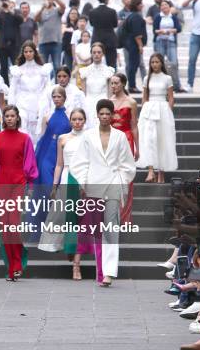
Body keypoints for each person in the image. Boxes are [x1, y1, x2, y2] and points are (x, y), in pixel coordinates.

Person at [69, 99, 136, 287]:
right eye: (102, 113)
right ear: (97, 115)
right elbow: (79, 162)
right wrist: (84, 182)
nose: (105, 117)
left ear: (113, 115)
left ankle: (108, 273)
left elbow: (128, 165)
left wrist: (121, 182)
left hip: (113, 184)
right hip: (94, 186)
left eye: (108, 113)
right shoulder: (88, 136)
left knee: (111, 229)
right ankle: (101, 270)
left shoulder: (120, 136)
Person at [0, 105, 38, 281]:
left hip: (19, 183)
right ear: (3, 118)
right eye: (7, 116)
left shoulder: (25, 138)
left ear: (17, 118)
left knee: (13, 222)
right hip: (2, 183)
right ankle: (12, 266)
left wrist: (30, 186)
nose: (10, 119)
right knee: (5, 227)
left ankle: (17, 263)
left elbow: (30, 163)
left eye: (13, 116)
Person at [38, 108, 90, 280]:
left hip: (85, 179)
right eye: (74, 119)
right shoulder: (62, 138)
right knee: (66, 220)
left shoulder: (90, 138)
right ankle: (69, 249)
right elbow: (59, 164)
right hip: (67, 179)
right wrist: (54, 185)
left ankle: (77, 265)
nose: (77, 122)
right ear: (70, 121)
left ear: (85, 120)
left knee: (82, 222)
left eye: (80, 119)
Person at [136, 53, 178, 183]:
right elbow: (144, 98)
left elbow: (171, 98)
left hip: (163, 110)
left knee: (162, 140)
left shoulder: (167, 78)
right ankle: (150, 171)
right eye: (152, 62)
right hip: (149, 110)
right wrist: (143, 112)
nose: (155, 64)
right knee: (149, 140)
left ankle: (161, 173)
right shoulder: (146, 78)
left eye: (157, 62)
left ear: (161, 63)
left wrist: (168, 112)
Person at [109, 73, 139, 224]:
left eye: (116, 83)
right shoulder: (108, 102)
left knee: (126, 178)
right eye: (112, 83)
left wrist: (138, 147)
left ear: (123, 84)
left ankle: (125, 215)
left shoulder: (131, 102)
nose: (113, 86)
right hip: (112, 140)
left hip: (127, 138)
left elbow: (134, 125)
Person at [9, 41, 50, 143]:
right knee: (22, 128)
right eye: (25, 51)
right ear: (23, 53)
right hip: (22, 103)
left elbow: (48, 89)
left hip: (38, 104)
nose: (28, 54)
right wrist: (11, 106)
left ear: (34, 52)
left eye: (30, 51)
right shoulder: (17, 70)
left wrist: (46, 105)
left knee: (38, 131)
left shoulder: (43, 70)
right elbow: (12, 89)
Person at [35, 87, 71, 189]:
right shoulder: (47, 116)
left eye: (59, 96)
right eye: (54, 97)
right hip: (47, 152)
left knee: (60, 180)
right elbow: (42, 136)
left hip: (63, 152)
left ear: (64, 98)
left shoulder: (69, 116)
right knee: (47, 181)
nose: (56, 99)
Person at [38, 66, 86, 131]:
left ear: (69, 77)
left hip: (71, 124)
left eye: (64, 76)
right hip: (53, 122)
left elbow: (81, 109)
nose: (61, 79)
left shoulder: (76, 91)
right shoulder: (50, 90)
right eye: (59, 76)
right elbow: (45, 108)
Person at [79, 42, 115, 128]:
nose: (96, 55)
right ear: (91, 54)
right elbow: (83, 94)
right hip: (88, 104)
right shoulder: (85, 71)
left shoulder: (108, 71)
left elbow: (110, 94)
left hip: (103, 104)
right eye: (94, 52)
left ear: (103, 54)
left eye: (99, 52)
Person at [0, 0, 23, 84]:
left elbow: (20, 20)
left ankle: (18, 84)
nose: (4, 2)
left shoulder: (15, 11)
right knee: (4, 67)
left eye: (6, 0)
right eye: (2, 0)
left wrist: (10, 10)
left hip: (14, 45)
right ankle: (5, 86)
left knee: (16, 66)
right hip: (2, 45)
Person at [153, 0, 183, 92]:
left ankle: (176, 85)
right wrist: (161, 31)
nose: (164, 6)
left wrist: (170, 31)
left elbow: (179, 29)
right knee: (158, 64)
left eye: (166, 5)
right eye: (162, 5)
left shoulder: (173, 17)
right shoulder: (158, 17)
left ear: (169, 7)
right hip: (160, 41)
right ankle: (158, 86)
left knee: (173, 63)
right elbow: (155, 30)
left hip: (171, 41)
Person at [118, 0, 147, 86]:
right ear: (137, 5)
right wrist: (140, 46)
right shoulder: (136, 17)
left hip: (131, 44)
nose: (142, 5)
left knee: (133, 65)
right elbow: (137, 34)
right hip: (134, 45)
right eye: (141, 4)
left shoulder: (132, 15)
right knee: (133, 66)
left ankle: (132, 85)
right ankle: (132, 86)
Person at [35, 0, 66, 72]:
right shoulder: (41, 11)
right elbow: (35, 19)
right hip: (43, 42)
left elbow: (63, 7)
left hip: (56, 42)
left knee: (57, 66)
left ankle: (57, 84)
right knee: (43, 67)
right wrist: (42, 8)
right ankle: (44, 84)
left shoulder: (57, 10)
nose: (48, 1)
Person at [88, 0, 118, 68]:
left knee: (95, 63)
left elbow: (91, 24)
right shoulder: (112, 11)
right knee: (111, 65)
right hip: (110, 40)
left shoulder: (92, 12)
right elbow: (115, 24)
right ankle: (112, 79)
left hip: (97, 39)